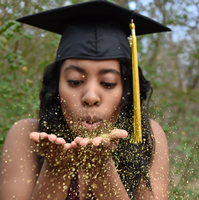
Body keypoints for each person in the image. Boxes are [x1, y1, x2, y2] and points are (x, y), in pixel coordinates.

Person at [0, 1, 170, 199]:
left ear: (126, 93)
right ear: (56, 89)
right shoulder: (27, 136)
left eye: (107, 83)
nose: (90, 97)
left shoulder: (145, 139)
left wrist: (101, 168)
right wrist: (57, 168)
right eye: (74, 81)